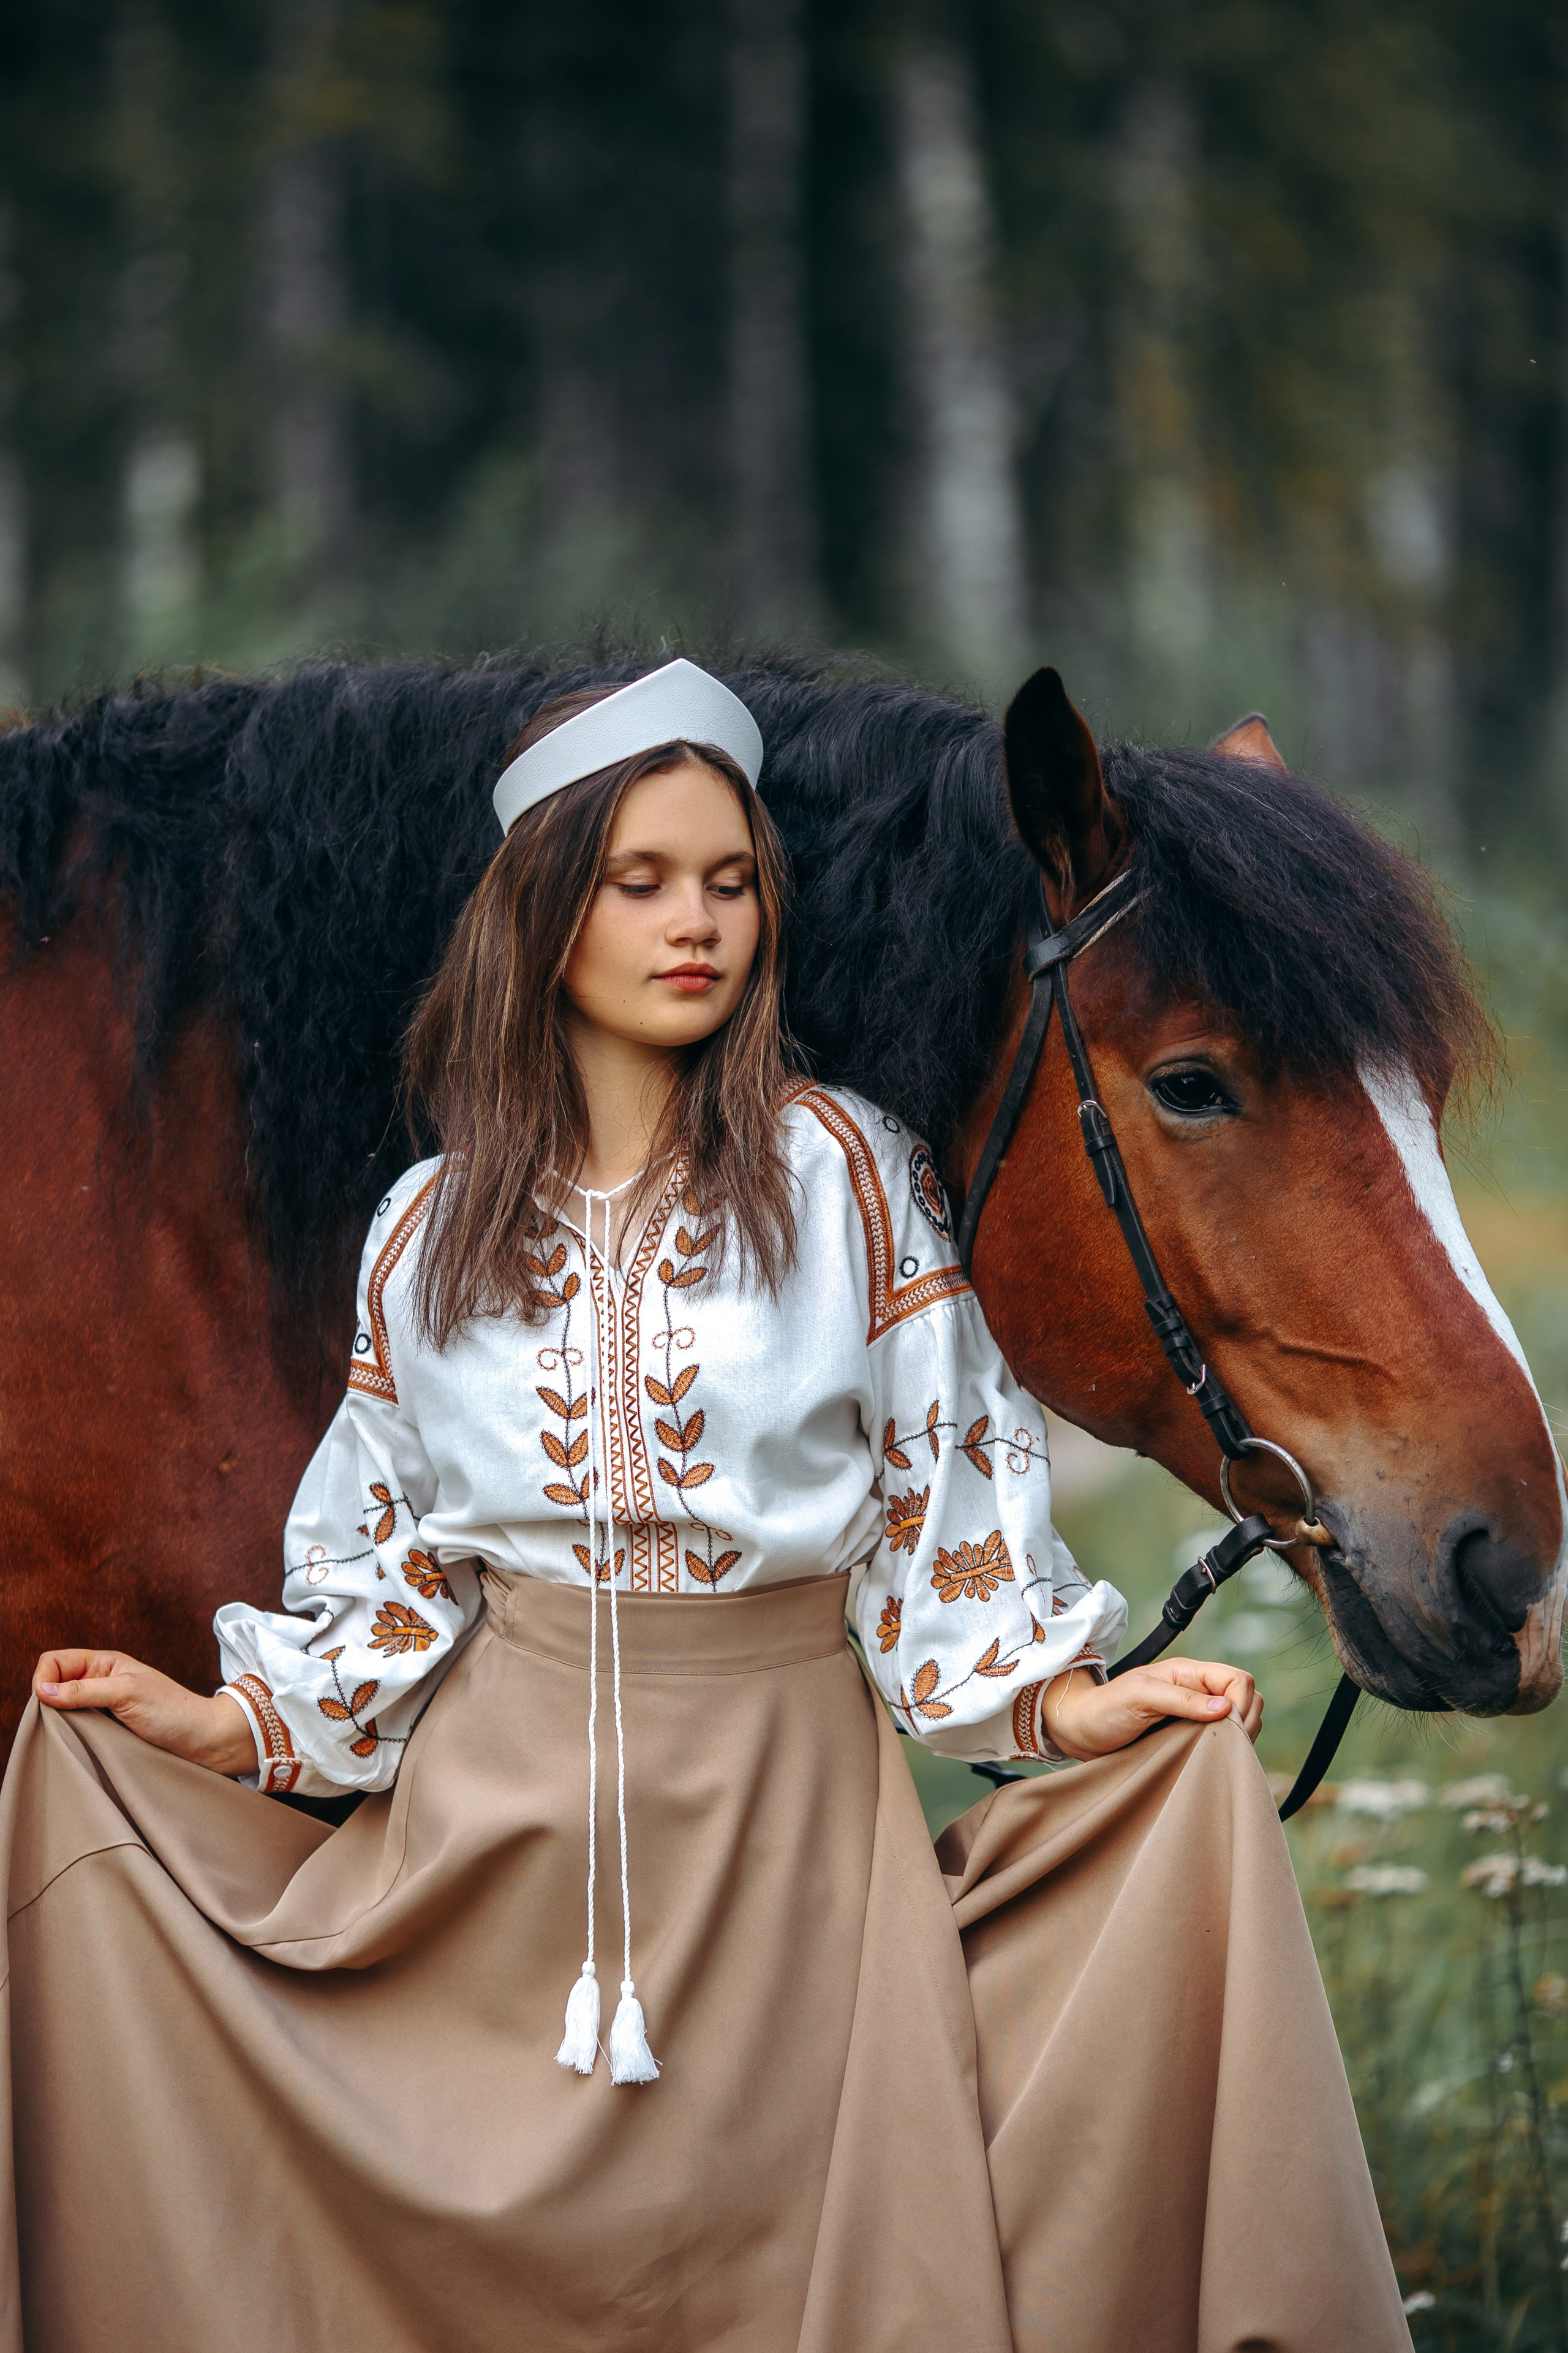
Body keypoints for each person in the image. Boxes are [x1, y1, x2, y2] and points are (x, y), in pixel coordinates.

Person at [2, 662, 1409, 2352]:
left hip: (790, 1840)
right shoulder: (424, 1227)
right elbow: (394, 1574)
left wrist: (1077, 1699)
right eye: (643, 880)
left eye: (733, 882)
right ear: (543, 916)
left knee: (801, 2246)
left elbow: (934, 1523)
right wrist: (226, 1725)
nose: (701, 924)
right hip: (485, 1858)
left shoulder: (856, 1183)